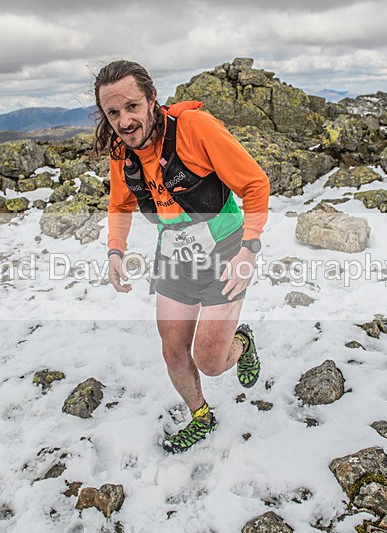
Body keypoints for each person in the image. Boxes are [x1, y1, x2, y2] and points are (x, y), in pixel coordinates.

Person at [94, 60, 270, 453]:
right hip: (174, 253)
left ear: (152, 100)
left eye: (132, 107)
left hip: (226, 250)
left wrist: (249, 248)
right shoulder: (122, 153)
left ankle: (241, 342)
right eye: (113, 113)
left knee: (210, 359)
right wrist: (115, 251)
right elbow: (119, 205)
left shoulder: (195, 129)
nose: (124, 121)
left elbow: (255, 184)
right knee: (172, 348)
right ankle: (201, 416)